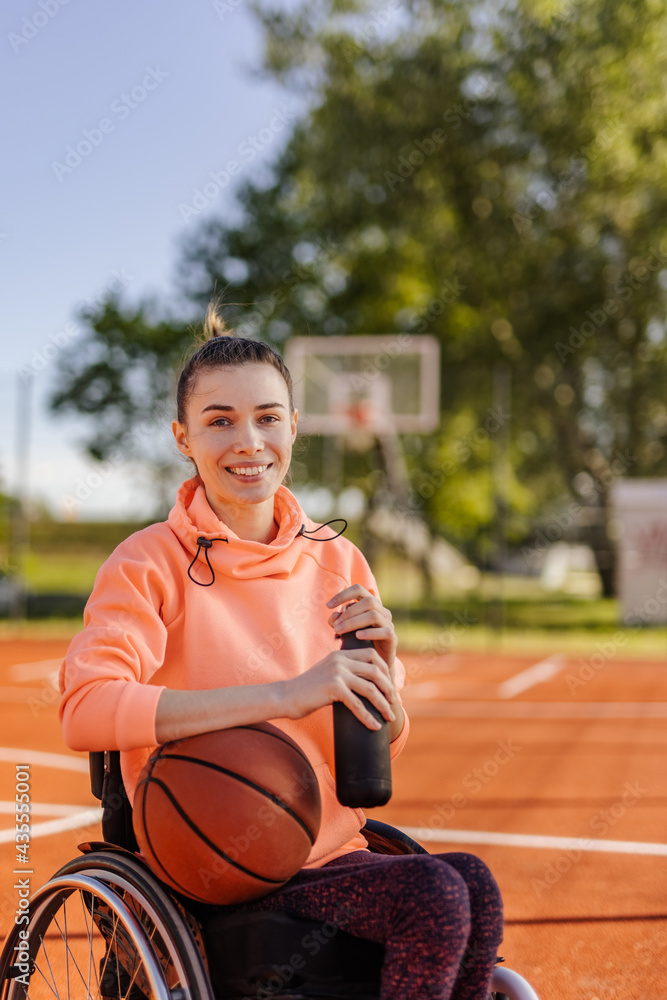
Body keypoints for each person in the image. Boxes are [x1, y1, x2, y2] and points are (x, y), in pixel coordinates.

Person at [59, 299, 503, 1000]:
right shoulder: (146, 562)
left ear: (293, 427)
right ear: (183, 437)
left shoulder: (338, 559)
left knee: (470, 883)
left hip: (324, 853)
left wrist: (383, 678)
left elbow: (383, 744)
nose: (248, 441)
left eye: (267, 417)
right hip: (212, 851)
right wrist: (286, 697)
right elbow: (85, 710)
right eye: (219, 421)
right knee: (435, 897)